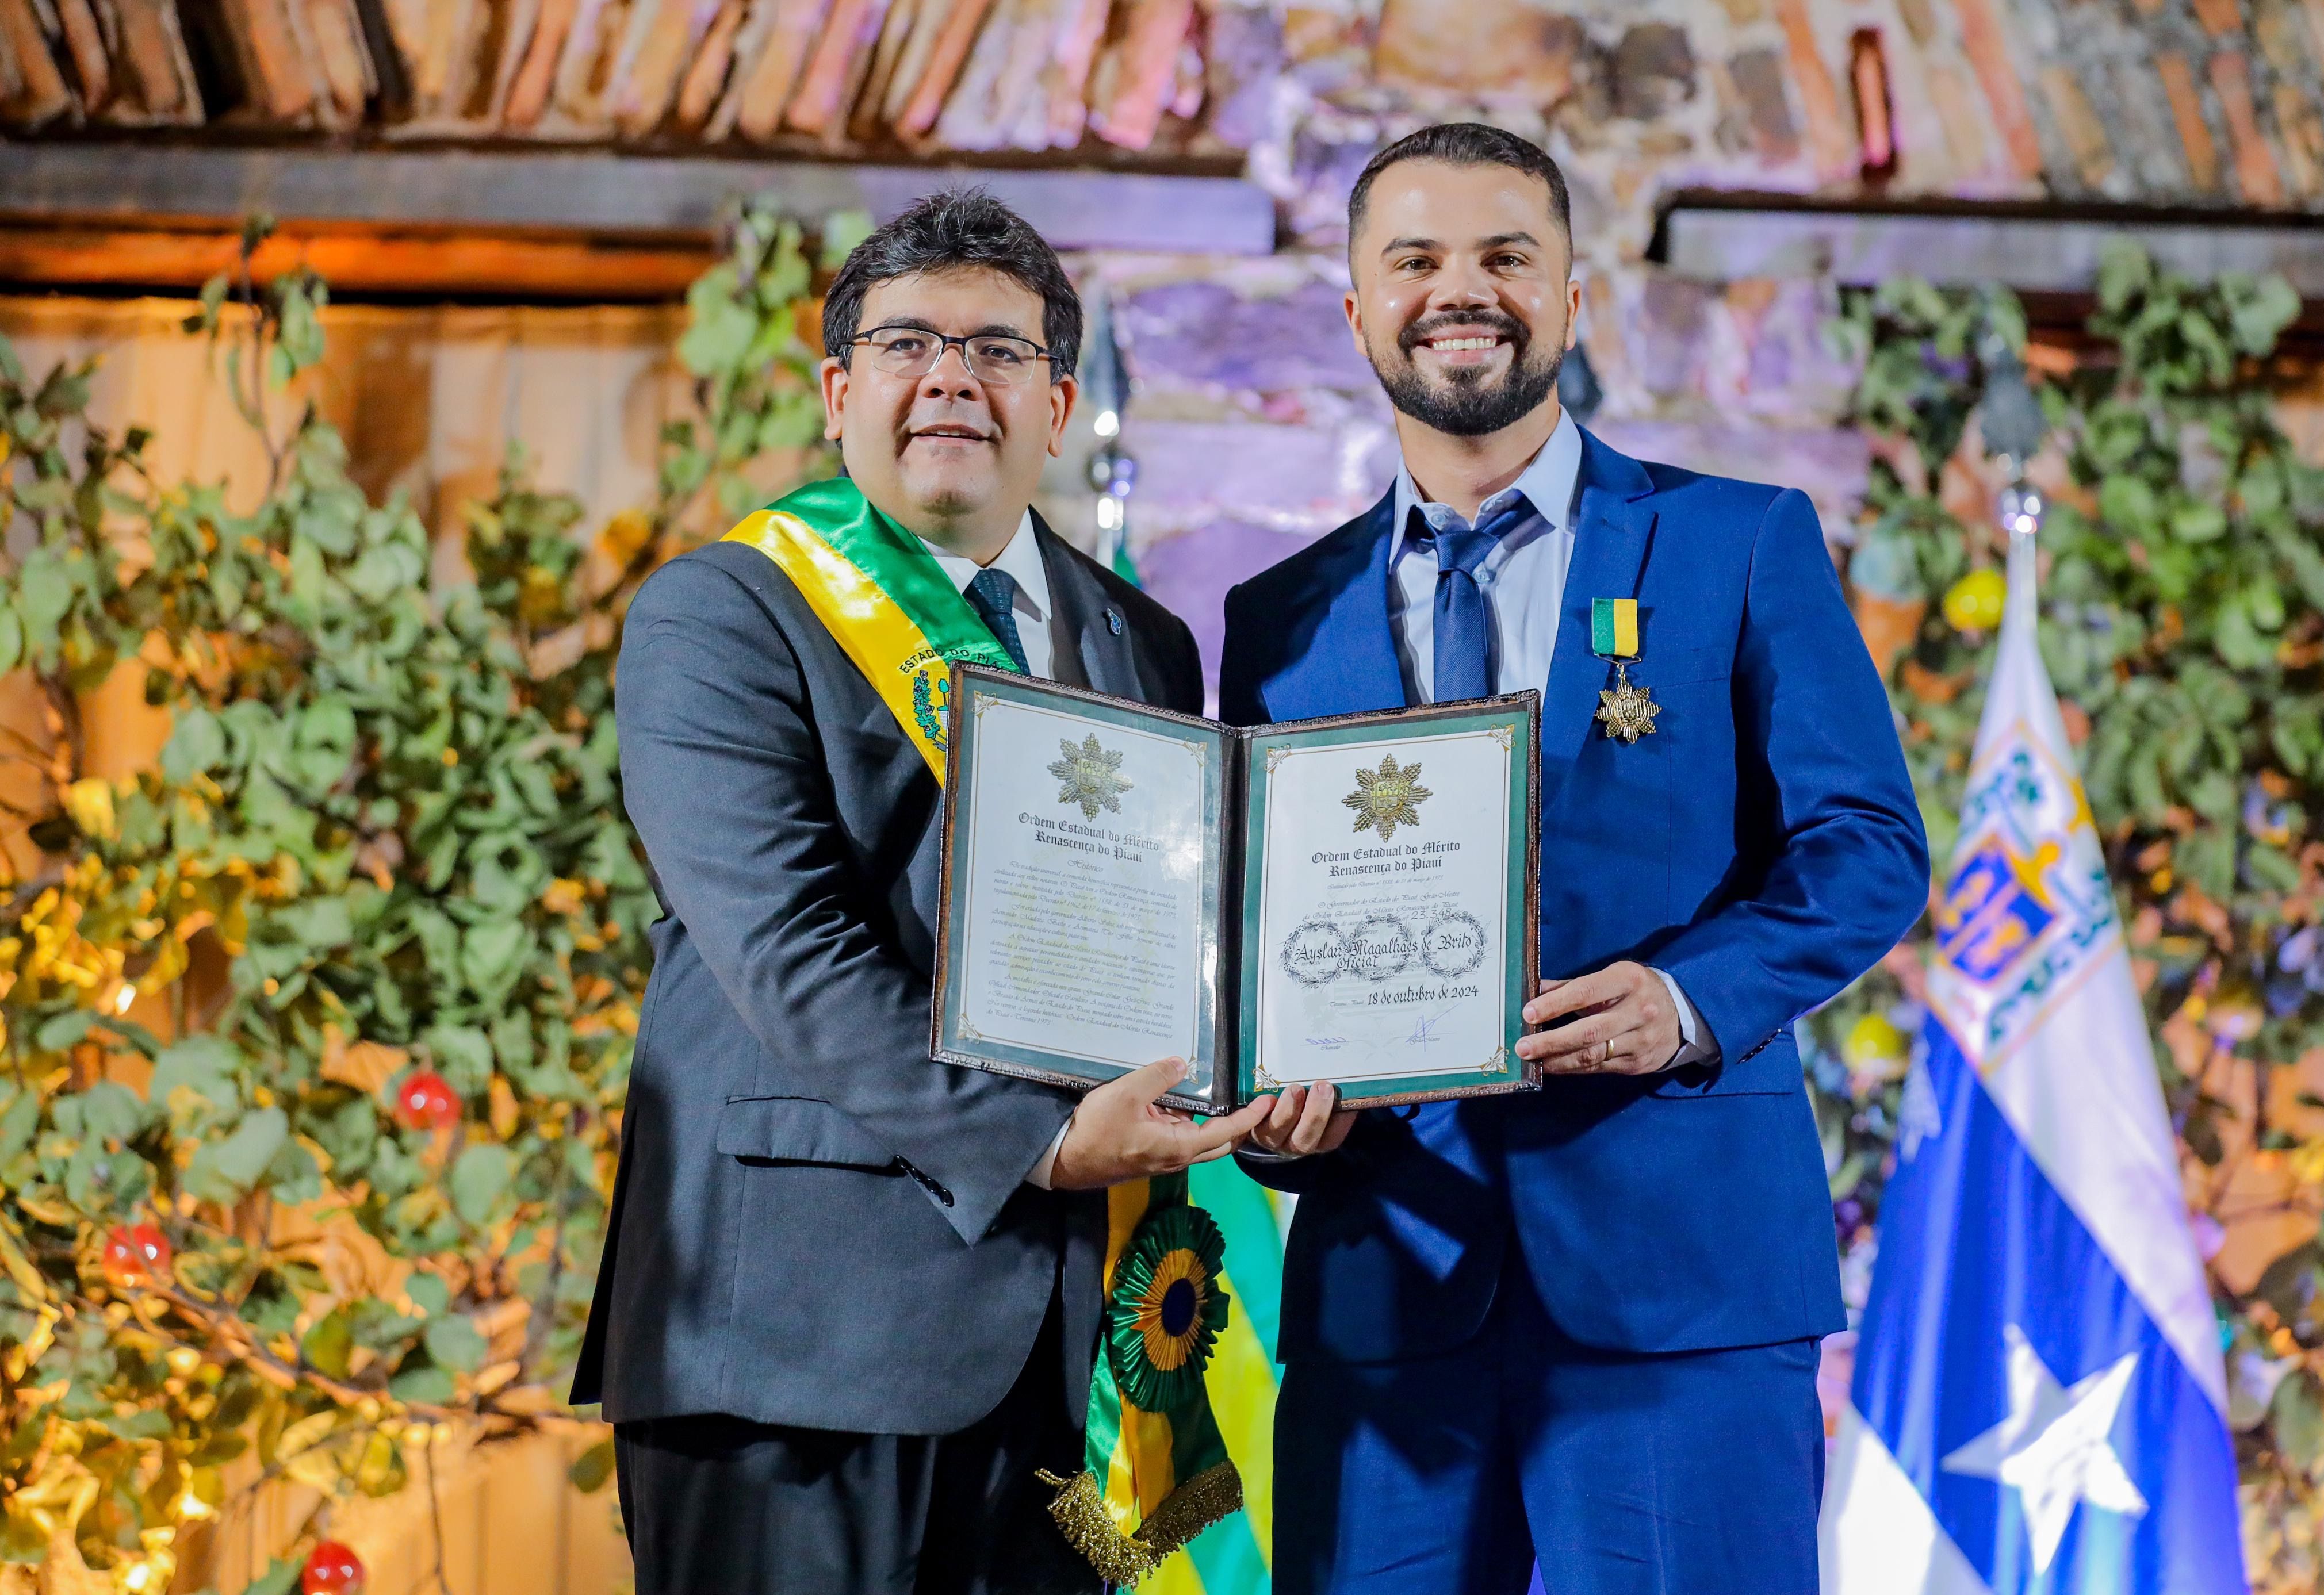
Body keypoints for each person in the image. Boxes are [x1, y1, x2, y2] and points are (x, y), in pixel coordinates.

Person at [1223, 124, 1931, 1595]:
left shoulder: (1737, 543)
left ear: (1572, 295)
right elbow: (1261, 928)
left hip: (1683, 1286)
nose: (1458, 291)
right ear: (1355, 308)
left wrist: (1682, 1004)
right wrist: (1269, 1104)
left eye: (1505, 256)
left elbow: (1866, 848)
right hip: (1386, 1286)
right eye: (1413, 260)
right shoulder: (1274, 616)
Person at [572, 188, 1271, 1595]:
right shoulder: (724, 611)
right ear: (840, 393)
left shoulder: (1141, 634)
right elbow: (790, 953)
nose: (953, 375)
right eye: (907, 343)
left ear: (1058, 403)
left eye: (1000, 352)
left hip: (1084, 1372)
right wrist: (1047, 1141)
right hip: (791, 1358)